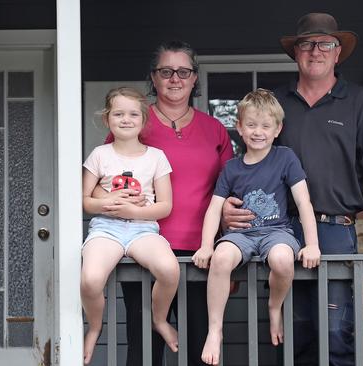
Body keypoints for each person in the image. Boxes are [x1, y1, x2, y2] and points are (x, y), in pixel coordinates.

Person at [223, 13, 363, 366]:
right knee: (295, 338)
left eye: (325, 44)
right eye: (307, 44)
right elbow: (244, 171)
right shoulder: (275, 106)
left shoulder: (360, 103)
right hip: (278, 231)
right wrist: (225, 214)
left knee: (336, 335)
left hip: (334, 230)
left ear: (338, 52)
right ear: (296, 53)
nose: (316, 51)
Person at [95, 41, 233, 365]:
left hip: (201, 253)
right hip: (143, 247)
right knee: (144, 350)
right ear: (153, 78)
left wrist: (228, 241)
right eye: (166, 71)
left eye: (183, 71)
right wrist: (112, 200)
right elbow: (100, 185)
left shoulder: (214, 129)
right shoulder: (132, 124)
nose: (175, 78)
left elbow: (229, 190)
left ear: (194, 78)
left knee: (202, 349)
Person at [192, 89, 321, 365]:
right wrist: (205, 245)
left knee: (283, 259)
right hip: (240, 235)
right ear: (239, 127)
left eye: (265, 126)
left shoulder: (285, 157)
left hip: (277, 233)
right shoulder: (231, 168)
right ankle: (215, 330)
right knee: (222, 257)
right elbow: (214, 208)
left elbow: (304, 202)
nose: (258, 132)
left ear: (277, 129)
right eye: (251, 125)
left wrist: (312, 244)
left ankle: (275, 307)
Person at [80, 87, 180, 365]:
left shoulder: (156, 157)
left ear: (144, 120)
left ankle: (159, 320)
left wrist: (135, 210)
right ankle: (95, 327)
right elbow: (85, 200)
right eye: (119, 113)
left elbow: (165, 206)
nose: (126, 119)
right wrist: (108, 202)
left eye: (133, 114)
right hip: (106, 229)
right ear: (107, 119)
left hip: (143, 229)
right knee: (90, 280)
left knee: (170, 270)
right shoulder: (99, 154)